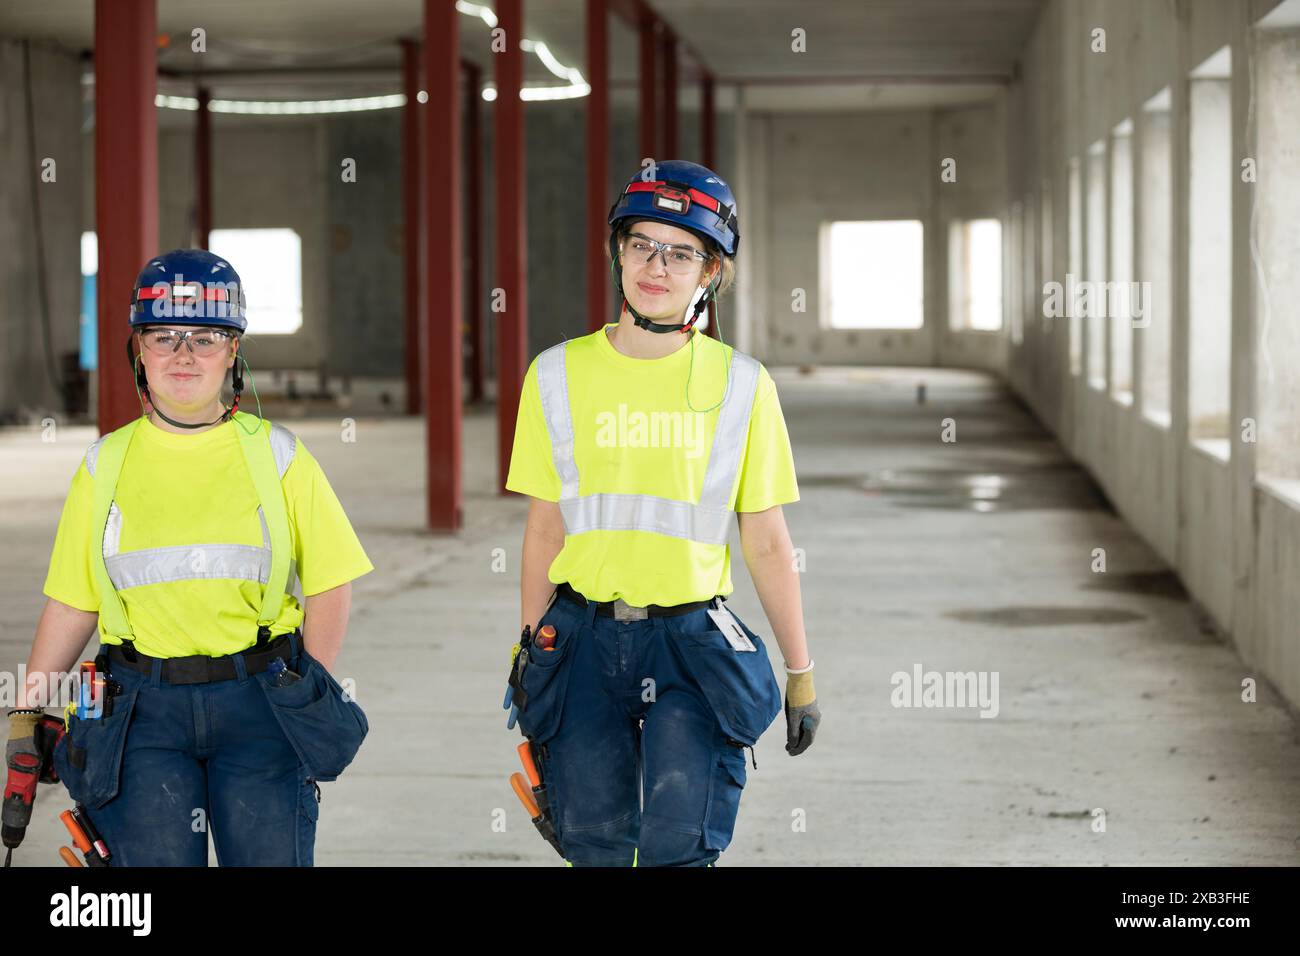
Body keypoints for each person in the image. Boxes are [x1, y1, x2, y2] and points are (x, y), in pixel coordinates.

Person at [5, 249, 373, 866]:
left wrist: (305, 692)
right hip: (138, 713)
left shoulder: (278, 457)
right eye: (164, 336)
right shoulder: (105, 464)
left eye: (204, 337)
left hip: (259, 702)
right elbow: (74, 599)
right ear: (139, 350)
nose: (183, 354)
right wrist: (27, 713)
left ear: (233, 350)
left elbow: (332, 583)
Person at [504, 160, 821, 867]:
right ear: (618, 251)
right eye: (643, 244)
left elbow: (767, 542)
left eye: (682, 252)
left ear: (710, 272)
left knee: (680, 843)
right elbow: (544, 530)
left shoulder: (742, 387)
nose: (658, 265)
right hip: (582, 639)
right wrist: (531, 652)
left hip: (691, 644)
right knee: (593, 842)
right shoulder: (555, 375)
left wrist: (800, 671)